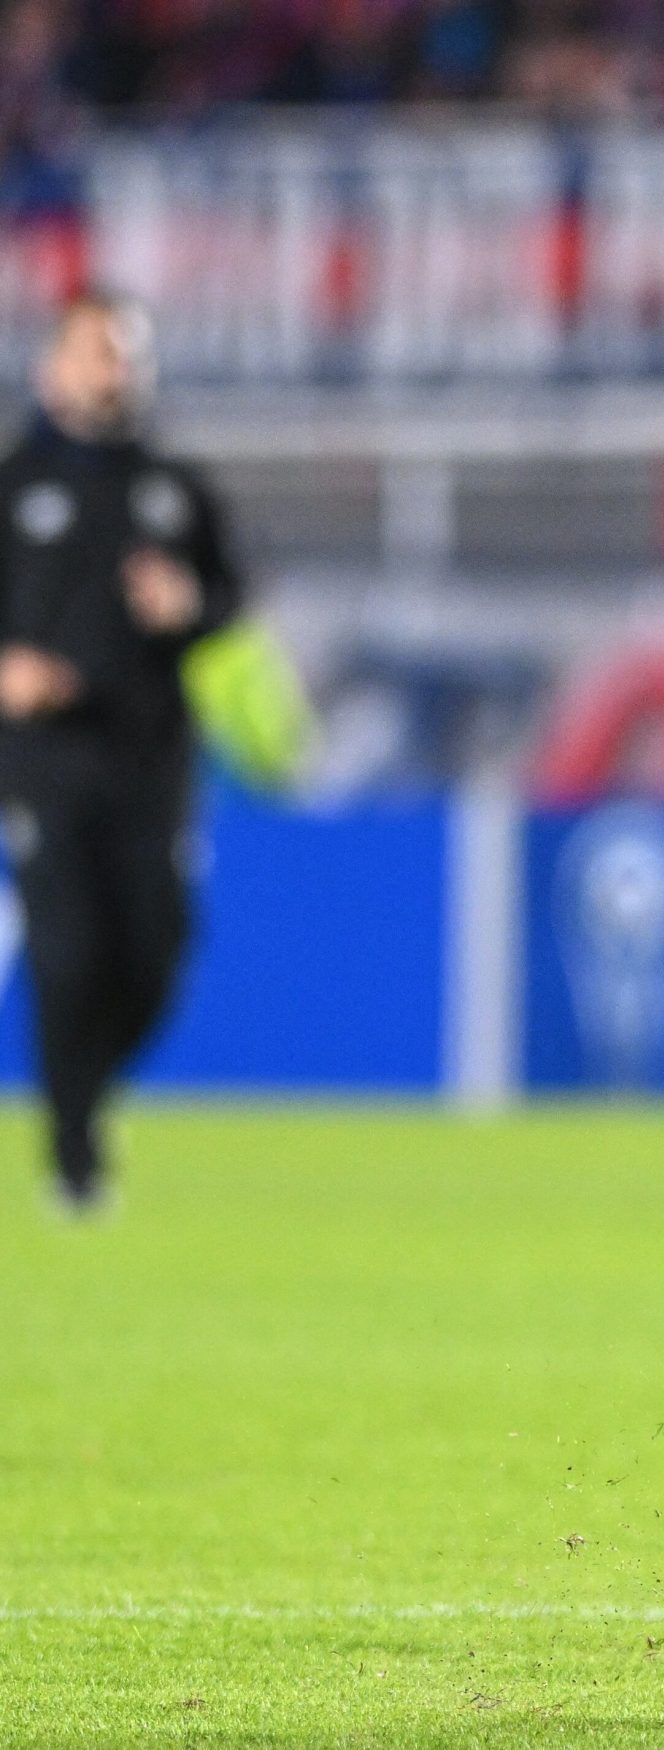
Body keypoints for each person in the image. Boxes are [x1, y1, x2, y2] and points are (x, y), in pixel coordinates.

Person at [0, 295, 243, 1212]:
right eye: (96, 351)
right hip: (42, 758)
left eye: (125, 353)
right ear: (52, 369)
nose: (114, 369)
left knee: (155, 953)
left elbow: (230, 599)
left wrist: (190, 607)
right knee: (66, 955)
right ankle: (73, 1152)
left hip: (151, 757)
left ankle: (83, 1095)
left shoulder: (176, 488)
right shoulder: (12, 487)